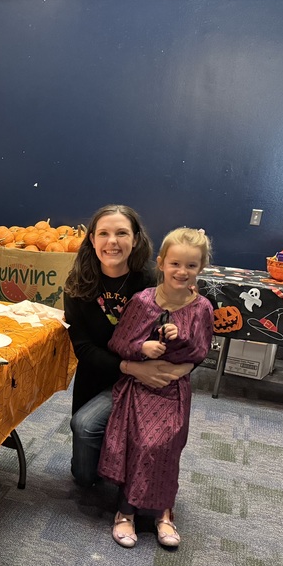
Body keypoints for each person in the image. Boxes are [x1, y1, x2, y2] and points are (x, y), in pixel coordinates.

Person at [64, 205, 194, 496]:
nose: (112, 241)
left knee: (101, 434)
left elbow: (188, 336)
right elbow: (83, 349)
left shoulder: (153, 282)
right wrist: (130, 366)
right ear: (92, 240)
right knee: (84, 477)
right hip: (101, 377)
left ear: (135, 239)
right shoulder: (77, 285)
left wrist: (174, 370)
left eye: (122, 233)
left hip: (145, 382)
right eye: (104, 234)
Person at [98, 227, 215, 549]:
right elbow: (119, 342)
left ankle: (164, 513)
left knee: (166, 447)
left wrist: (184, 340)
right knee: (140, 444)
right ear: (161, 263)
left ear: (200, 269)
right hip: (137, 388)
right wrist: (143, 347)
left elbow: (202, 350)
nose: (182, 272)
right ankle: (126, 512)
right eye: (175, 264)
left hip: (173, 391)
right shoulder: (142, 302)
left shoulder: (202, 307)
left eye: (191, 266)